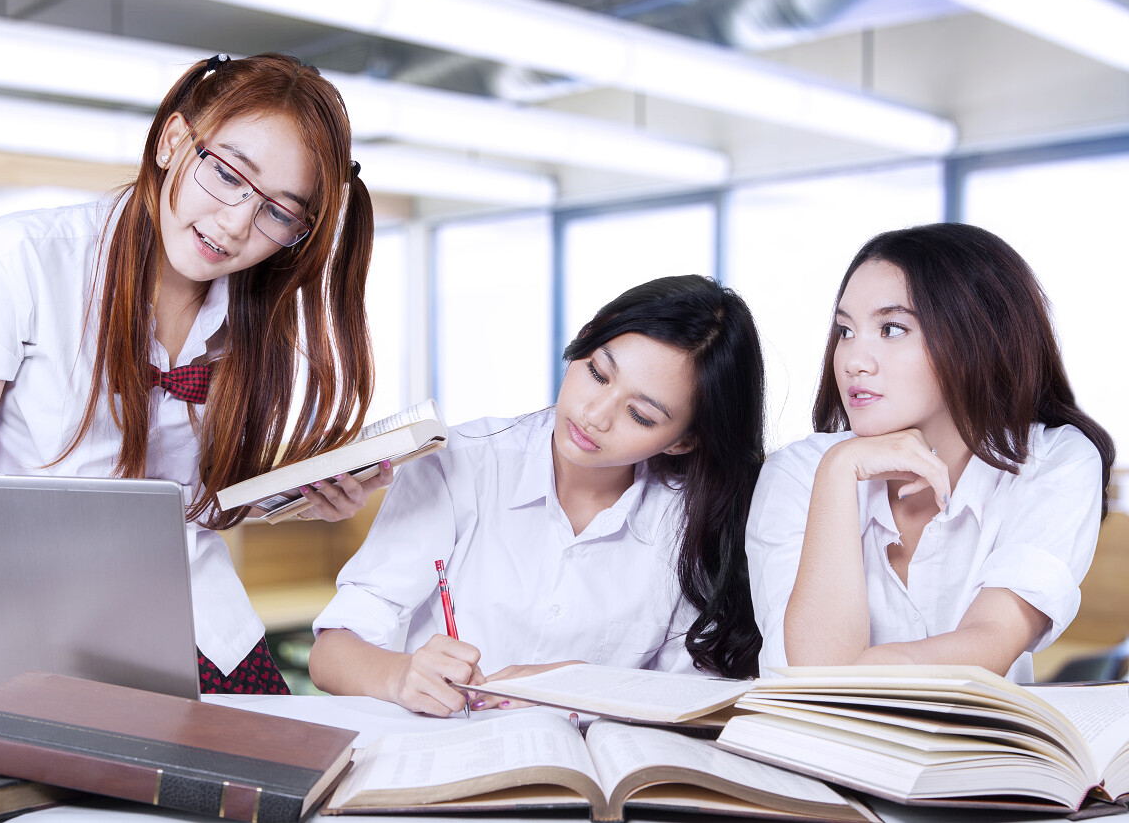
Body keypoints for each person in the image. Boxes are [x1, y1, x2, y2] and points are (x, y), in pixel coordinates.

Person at [0, 53, 392, 695]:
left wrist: (298, 503)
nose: (235, 223)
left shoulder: (249, 316)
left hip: (200, 622)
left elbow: (190, 506)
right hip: (38, 631)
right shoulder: (14, 263)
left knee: (288, 782)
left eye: (280, 211)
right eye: (227, 175)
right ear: (172, 142)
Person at [308, 275, 767, 716]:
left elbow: (703, 699)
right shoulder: (463, 464)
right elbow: (330, 654)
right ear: (584, 341)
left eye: (641, 416)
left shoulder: (694, 521)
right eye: (597, 373)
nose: (595, 415)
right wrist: (400, 674)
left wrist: (586, 685)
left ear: (683, 441)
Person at [746, 223, 1115, 682]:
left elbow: (991, 642)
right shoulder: (800, 471)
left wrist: (852, 672)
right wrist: (840, 469)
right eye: (845, 330)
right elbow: (809, 684)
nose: (853, 360)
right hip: (812, 752)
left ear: (975, 336)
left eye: (891, 328)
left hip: (972, 753)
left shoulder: (1052, 461)